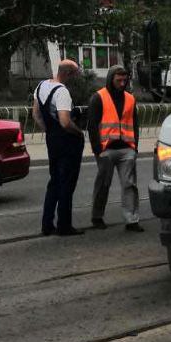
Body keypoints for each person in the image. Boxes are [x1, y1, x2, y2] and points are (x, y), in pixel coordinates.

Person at [33, 59, 86, 237]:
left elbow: (36, 114)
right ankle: (64, 225)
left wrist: (48, 130)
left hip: (52, 141)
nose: (76, 78)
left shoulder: (41, 86)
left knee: (54, 181)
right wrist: (78, 132)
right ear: (68, 74)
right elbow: (65, 121)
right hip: (67, 143)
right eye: (75, 74)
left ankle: (47, 224)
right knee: (66, 184)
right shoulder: (62, 92)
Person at [87, 64, 142, 232]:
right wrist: (98, 151)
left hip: (127, 149)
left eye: (125, 80)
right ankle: (97, 217)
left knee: (129, 185)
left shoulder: (130, 99)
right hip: (106, 150)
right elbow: (92, 126)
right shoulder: (98, 98)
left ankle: (131, 220)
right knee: (103, 184)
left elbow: (135, 124)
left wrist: (135, 148)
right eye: (119, 80)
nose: (122, 83)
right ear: (111, 79)